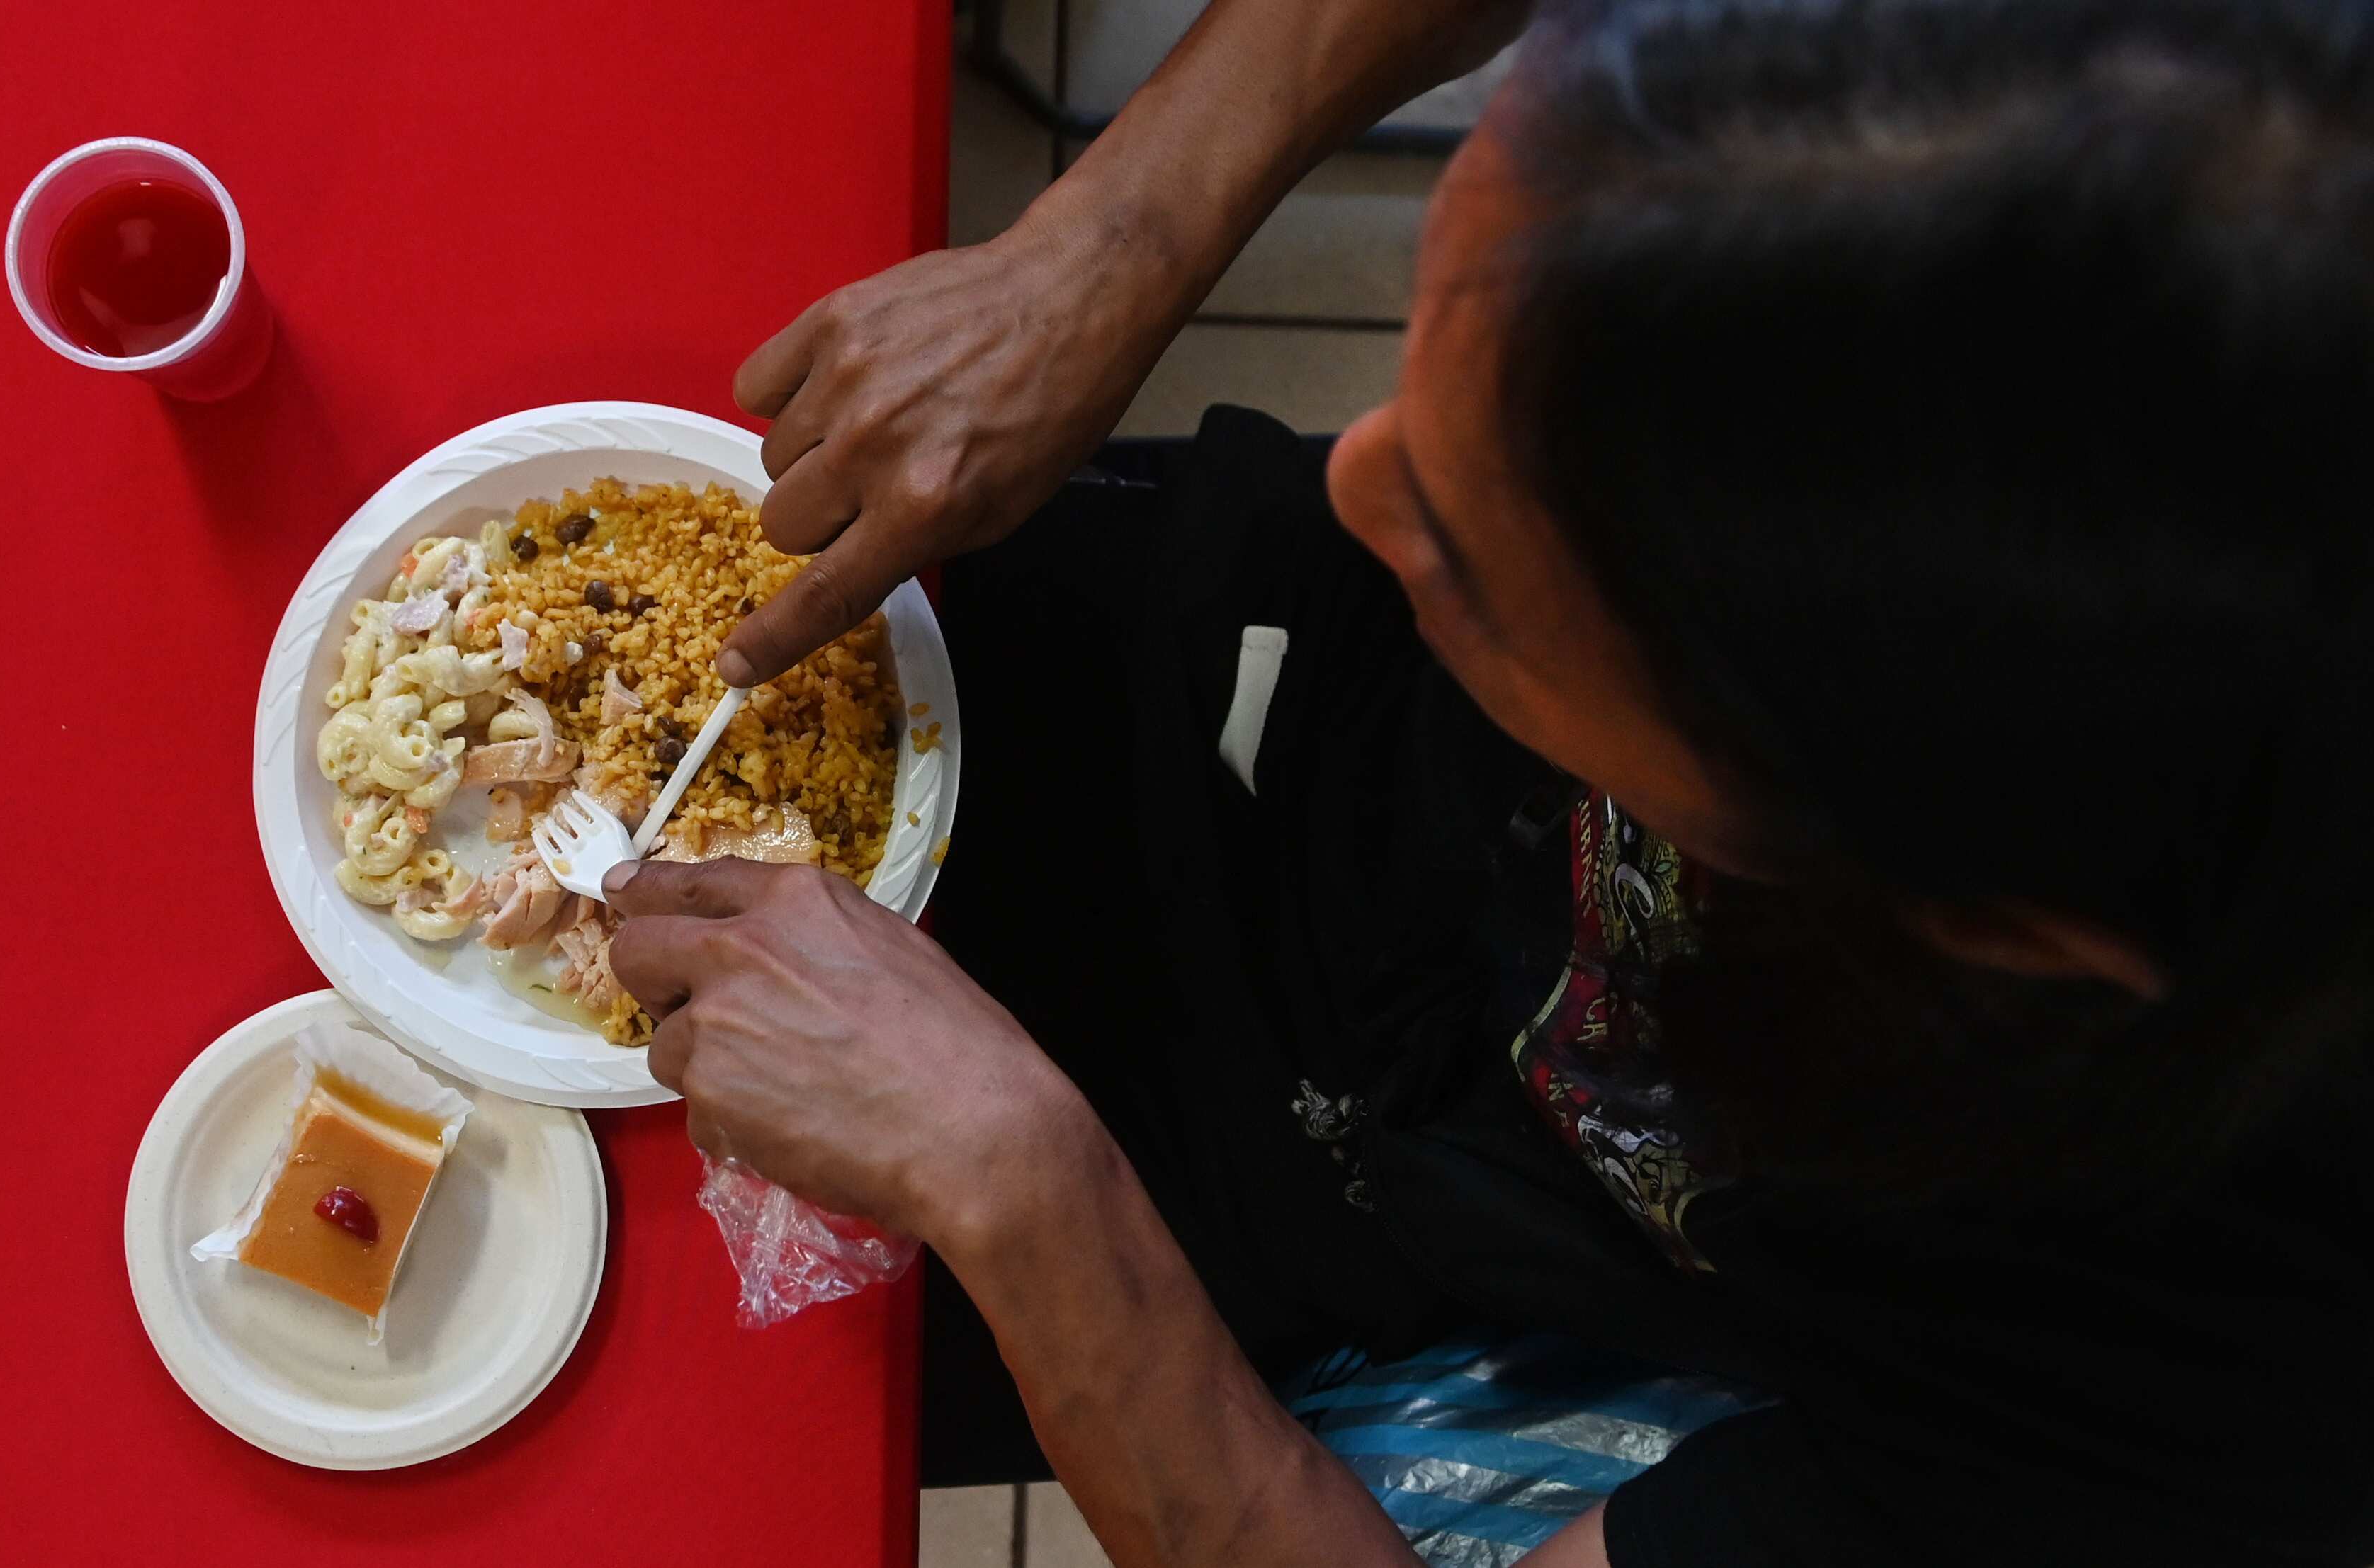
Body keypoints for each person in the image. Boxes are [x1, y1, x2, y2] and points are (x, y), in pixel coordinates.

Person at [604, 0, 2374, 1562]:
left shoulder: (2200, 1350)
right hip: (1309, 761)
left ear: (1975, 915)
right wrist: (1115, 239)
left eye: (1481, 568)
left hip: (1364, 1185)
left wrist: (1024, 1188)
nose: (1358, 487)